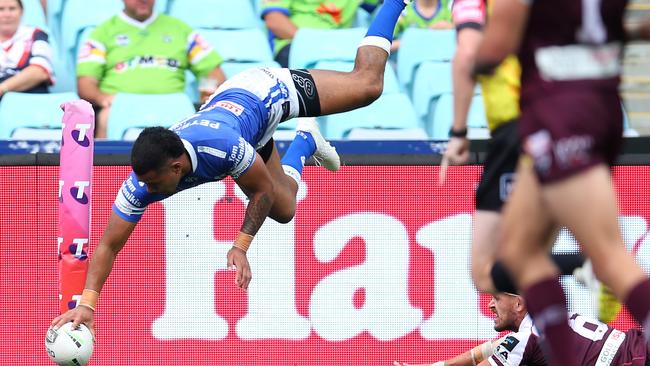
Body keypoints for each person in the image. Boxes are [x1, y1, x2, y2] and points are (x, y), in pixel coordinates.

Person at [51, 0, 412, 337]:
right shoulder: (142, 181)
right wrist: (88, 304)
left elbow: (261, 190)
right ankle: (304, 142)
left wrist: (240, 245)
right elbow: (108, 245)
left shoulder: (222, 148)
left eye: (153, 182)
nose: (146, 189)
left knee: (368, 85)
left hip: (267, 92)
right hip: (242, 124)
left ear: (177, 168)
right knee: (286, 211)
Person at [473, 1, 650, 365]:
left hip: (558, 113)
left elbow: (491, 51)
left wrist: (475, 54)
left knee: (608, 255)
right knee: (518, 252)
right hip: (601, 107)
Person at [438, 0, 621, 323]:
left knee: (486, 272)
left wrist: (459, 132)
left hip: (517, 128)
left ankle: (589, 263)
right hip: (571, 119)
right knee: (531, 258)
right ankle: (591, 264)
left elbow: (468, 54)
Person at [76, 0, 227, 138]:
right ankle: (106, 167)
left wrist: (208, 92)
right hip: (122, 109)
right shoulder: (102, 33)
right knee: (106, 117)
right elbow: (85, 83)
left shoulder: (181, 30)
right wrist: (102, 98)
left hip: (174, 108)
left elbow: (212, 71)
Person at [394, 292, 650, 366]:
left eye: (496, 297)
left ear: (518, 304)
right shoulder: (542, 325)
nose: (490, 304)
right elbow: (483, 351)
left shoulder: (526, 339)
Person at [260, 0, 381, 67]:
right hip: (295, 46)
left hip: (338, 49)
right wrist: (317, 44)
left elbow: (387, 7)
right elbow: (274, 20)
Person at [0, 0, 54, 99]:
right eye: (1, 9)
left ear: (21, 12)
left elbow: (40, 71)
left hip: (30, 100)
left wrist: (3, 88)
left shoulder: (37, 35)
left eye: (12, 9)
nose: (6, 14)